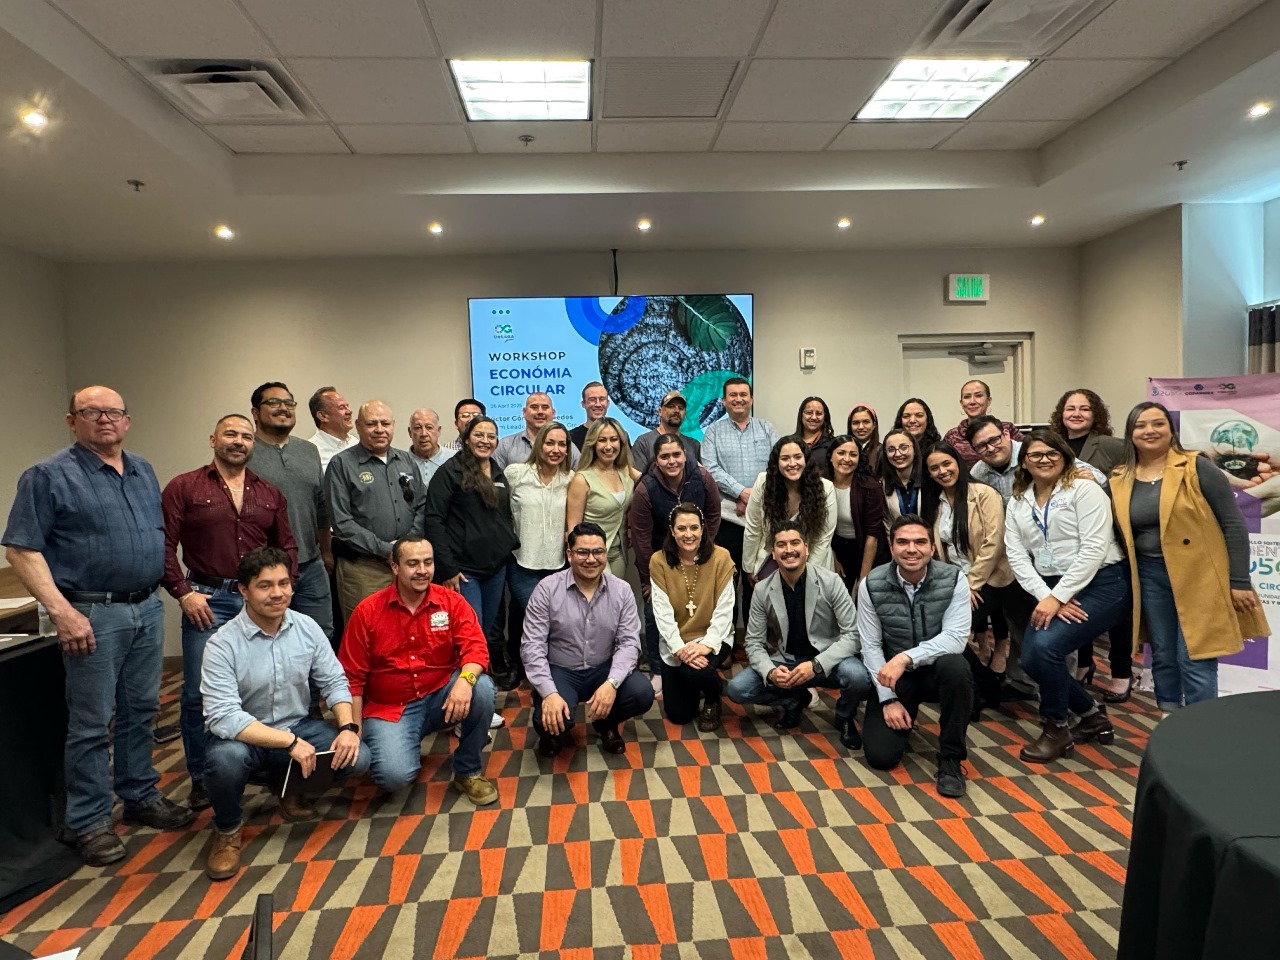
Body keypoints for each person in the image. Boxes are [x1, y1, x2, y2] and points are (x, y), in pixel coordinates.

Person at [3, 386, 193, 865]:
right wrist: (62, 611)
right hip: (92, 613)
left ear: (127, 421)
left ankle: (140, 794)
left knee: (141, 709)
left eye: (114, 412)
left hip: (146, 607)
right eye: (92, 412)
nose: (105, 419)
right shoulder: (48, 476)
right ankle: (89, 820)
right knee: (92, 722)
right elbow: (21, 549)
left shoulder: (143, 470)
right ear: (73, 421)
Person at [200, 547, 370, 881]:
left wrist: (348, 727)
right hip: (245, 737)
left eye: (283, 583)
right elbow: (223, 716)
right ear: (243, 590)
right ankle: (227, 829)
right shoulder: (222, 644)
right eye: (264, 586)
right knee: (224, 761)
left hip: (298, 727)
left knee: (358, 756)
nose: (277, 593)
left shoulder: (306, 627)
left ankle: (289, 787)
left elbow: (334, 681)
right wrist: (288, 742)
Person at [162, 414, 298, 811]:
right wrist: (183, 593)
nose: (239, 441)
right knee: (198, 694)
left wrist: (284, 587)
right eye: (231, 434)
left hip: (259, 601)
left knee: (269, 685)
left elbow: (287, 545)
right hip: (206, 600)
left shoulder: (268, 491)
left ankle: (267, 767)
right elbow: (163, 545)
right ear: (213, 439)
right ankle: (203, 778)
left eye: (246, 437)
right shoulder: (184, 487)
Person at [1110, 403, 1269, 712]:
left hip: (1200, 575)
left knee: (1195, 655)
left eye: (1158, 423)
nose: (1150, 430)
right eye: (1141, 425)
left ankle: (1202, 725)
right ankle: (1169, 717)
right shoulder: (1119, 477)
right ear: (1130, 433)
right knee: (1163, 655)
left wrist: (1239, 581)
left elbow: (1233, 523)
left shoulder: (1196, 466)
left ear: (1171, 430)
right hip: (1150, 576)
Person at [338, 538, 497, 802]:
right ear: (395, 567)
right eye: (412, 564)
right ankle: (398, 743)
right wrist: (353, 729)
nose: (422, 570)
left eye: (428, 562)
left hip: (440, 697)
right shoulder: (367, 612)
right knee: (393, 776)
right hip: (391, 708)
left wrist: (465, 681)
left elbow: (476, 648)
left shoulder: (451, 602)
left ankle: (468, 770)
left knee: (482, 688)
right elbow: (351, 677)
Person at [1004, 431, 1129, 763]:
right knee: (1033, 658)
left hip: (1103, 583)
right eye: (1035, 455)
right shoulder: (1018, 501)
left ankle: (1056, 727)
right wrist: (1047, 595)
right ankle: (1091, 715)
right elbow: (1016, 555)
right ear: (1024, 462)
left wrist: (1057, 597)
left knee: (1045, 649)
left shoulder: (1084, 490)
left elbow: (1094, 549)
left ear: (1064, 457)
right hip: (1050, 587)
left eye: (1052, 453)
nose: (1044, 459)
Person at [857, 515, 974, 798]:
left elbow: (956, 638)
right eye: (903, 542)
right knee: (881, 757)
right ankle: (905, 716)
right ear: (892, 547)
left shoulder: (954, 579)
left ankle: (951, 758)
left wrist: (906, 658)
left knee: (956, 666)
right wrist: (888, 699)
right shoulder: (871, 584)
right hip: (896, 679)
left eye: (920, 542)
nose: (912, 549)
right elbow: (870, 646)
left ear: (932, 548)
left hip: (937, 671)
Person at [726, 522, 872, 748]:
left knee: (858, 677)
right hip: (787, 661)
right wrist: (771, 672)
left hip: (827, 659)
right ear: (773, 553)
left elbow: (853, 634)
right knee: (737, 689)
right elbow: (753, 642)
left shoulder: (831, 582)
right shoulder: (762, 589)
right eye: (781, 545)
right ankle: (793, 699)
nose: (789, 550)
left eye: (795, 543)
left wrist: (816, 665)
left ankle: (844, 716)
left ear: (806, 548)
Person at [521, 522, 655, 757]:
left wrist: (612, 683)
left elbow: (629, 643)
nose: (591, 559)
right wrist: (549, 693)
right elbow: (532, 646)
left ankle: (607, 724)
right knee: (553, 720)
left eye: (598, 552)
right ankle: (550, 730)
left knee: (642, 692)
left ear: (605, 553)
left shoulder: (622, 590)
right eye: (583, 552)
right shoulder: (547, 589)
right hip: (561, 670)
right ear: (569, 554)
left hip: (603, 668)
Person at [920, 441, 1024, 716]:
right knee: (937, 629)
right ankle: (984, 685)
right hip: (957, 580)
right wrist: (954, 584)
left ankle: (979, 690)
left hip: (991, 579)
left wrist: (971, 583)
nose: (942, 471)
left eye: (946, 463)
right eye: (934, 468)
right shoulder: (935, 501)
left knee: (951, 630)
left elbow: (994, 543)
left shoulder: (984, 494)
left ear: (958, 462)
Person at [1048, 388, 1132, 698]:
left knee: (1117, 613)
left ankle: (1122, 673)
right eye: (1070, 408)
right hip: (1070, 539)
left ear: (1095, 414)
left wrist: (1101, 484)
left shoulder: (1110, 445)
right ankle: (1084, 664)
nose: (1076, 414)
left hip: (1108, 535)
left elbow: (1132, 480)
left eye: (1084, 408)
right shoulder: (1053, 445)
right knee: (1077, 605)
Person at [423, 416, 520, 685]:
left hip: (495, 569)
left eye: (491, 436)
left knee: (484, 633)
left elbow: (504, 515)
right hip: (464, 572)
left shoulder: (498, 471)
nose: (485, 441)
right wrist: (448, 568)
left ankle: (479, 689)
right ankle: (462, 693)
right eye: (479, 435)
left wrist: (506, 544)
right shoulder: (450, 472)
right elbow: (434, 520)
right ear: (466, 439)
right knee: (467, 633)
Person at [627, 434, 722, 685]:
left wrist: (703, 548)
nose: (672, 461)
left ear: (685, 455)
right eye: (665, 456)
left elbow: (713, 514)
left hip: (697, 556)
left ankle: (702, 659)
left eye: (676, 455)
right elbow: (641, 537)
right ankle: (658, 669)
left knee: (698, 607)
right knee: (654, 612)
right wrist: (649, 578)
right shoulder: (646, 488)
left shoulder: (702, 477)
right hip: (660, 559)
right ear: (656, 461)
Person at [247, 381, 334, 642]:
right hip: (264, 568)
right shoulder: (245, 452)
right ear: (255, 412)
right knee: (268, 638)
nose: (283, 408)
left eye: (289, 403)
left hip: (310, 564)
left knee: (320, 636)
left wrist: (326, 552)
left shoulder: (308, 451)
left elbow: (321, 507)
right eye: (274, 402)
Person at [325, 401, 427, 621]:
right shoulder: (341, 464)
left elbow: (422, 504)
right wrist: (386, 550)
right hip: (364, 568)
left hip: (406, 566)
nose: (379, 429)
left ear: (393, 425)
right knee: (367, 630)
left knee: (409, 627)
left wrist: (405, 546)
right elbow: (341, 522)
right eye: (372, 424)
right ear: (358, 426)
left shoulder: (406, 460)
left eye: (385, 423)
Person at [649, 503, 735, 731]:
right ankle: (702, 681)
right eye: (682, 528)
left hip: (712, 636)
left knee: (694, 671)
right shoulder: (658, 560)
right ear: (672, 530)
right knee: (679, 715)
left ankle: (713, 696)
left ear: (703, 529)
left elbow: (725, 610)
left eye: (694, 528)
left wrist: (706, 645)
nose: (689, 534)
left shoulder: (721, 557)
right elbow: (662, 612)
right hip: (676, 642)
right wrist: (679, 649)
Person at [702, 377, 779, 626]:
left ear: (751, 399)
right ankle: (728, 638)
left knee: (757, 579)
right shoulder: (713, 432)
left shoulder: (767, 429)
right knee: (727, 581)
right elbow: (711, 469)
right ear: (724, 401)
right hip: (728, 519)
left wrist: (753, 497)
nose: (739, 399)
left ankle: (754, 637)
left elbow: (777, 466)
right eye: (733, 395)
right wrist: (740, 493)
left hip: (762, 519)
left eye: (743, 394)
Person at [504, 421, 574, 687]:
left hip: (557, 563)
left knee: (544, 617)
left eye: (562, 444)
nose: (556, 449)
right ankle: (519, 664)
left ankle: (545, 668)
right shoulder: (516, 474)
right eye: (550, 443)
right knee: (529, 613)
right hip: (522, 560)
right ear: (539, 444)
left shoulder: (570, 479)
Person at [742, 435, 837, 579]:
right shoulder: (763, 482)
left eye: (798, 457)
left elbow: (822, 540)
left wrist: (806, 577)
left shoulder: (826, 488)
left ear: (806, 459)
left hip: (812, 558)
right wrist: (749, 568)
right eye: (785, 458)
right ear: (777, 462)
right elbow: (753, 529)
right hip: (774, 554)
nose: (792, 463)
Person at [566, 417, 640, 577]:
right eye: (602, 440)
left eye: (613, 439)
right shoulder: (582, 479)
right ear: (593, 444)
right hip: (591, 555)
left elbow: (649, 479)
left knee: (617, 593)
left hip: (618, 553)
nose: (608, 446)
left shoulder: (625, 471)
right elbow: (573, 528)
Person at [823, 434, 884, 593]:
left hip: (866, 549)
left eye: (853, 454)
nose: (847, 459)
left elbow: (872, 536)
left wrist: (863, 578)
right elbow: (821, 528)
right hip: (837, 548)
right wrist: (833, 557)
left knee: (862, 593)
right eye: (841, 453)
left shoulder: (870, 487)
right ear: (830, 456)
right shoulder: (822, 484)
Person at [942, 380, 1023, 467]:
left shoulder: (1006, 428)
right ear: (961, 403)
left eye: (978, 395)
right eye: (967, 397)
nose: (972, 401)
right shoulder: (952, 436)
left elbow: (1026, 453)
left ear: (989, 400)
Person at [493, 392, 580, 470]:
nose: (540, 412)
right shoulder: (505, 445)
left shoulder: (568, 447)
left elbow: (581, 476)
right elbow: (495, 479)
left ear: (553, 413)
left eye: (545, 407)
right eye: (534, 407)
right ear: (524, 412)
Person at [631, 390, 701, 474]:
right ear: (660, 411)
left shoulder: (694, 445)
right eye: (671, 406)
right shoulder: (643, 443)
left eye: (681, 408)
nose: (677, 411)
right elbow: (639, 478)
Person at [876, 428, 923, 539]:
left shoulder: (929, 480)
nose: (897, 454)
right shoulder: (882, 485)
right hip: (899, 544)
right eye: (891, 449)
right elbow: (888, 524)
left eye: (903, 447)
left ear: (914, 449)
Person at [305, 386, 357, 471]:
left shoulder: (355, 442)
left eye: (347, 406)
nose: (349, 411)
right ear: (323, 416)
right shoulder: (311, 452)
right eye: (341, 407)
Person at [406, 407, 456, 487]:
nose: (423, 434)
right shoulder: (402, 461)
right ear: (410, 432)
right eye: (417, 428)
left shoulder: (454, 459)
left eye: (429, 427)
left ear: (438, 430)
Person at [794, 396, 835, 473]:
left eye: (819, 413)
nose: (813, 417)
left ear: (825, 417)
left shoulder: (833, 445)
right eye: (809, 413)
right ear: (801, 415)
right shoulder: (790, 443)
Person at [569, 381, 610, 451]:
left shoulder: (620, 435)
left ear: (608, 403)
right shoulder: (571, 437)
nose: (598, 404)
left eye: (602, 399)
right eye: (592, 400)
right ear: (583, 404)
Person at [846, 405, 880, 478]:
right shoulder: (842, 450)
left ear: (874, 425)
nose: (861, 427)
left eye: (866, 422)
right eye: (856, 423)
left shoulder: (882, 452)